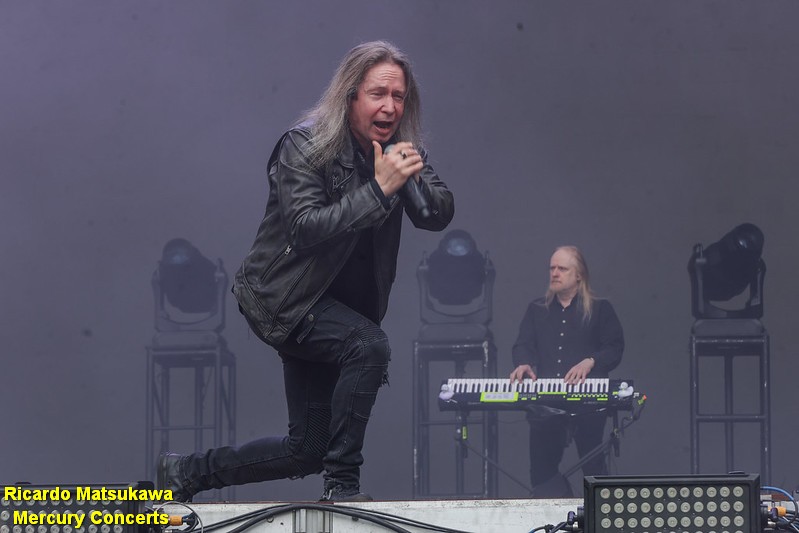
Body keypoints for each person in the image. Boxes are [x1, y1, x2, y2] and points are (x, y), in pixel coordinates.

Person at [157, 41, 454, 503]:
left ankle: (185, 472)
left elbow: (436, 214)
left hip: (336, 308)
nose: (390, 106)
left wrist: (407, 174)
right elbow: (305, 228)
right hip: (285, 300)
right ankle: (343, 485)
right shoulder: (306, 146)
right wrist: (379, 190)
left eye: (399, 96)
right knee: (368, 346)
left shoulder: (399, 152)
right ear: (351, 96)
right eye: (378, 94)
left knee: (307, 450)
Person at [509, 246, 623, 498]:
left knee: (593, 467)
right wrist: (524, 363)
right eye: (552, 268)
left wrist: (591, 361)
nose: (555, 273)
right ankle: (558, 510)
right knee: (542, 471)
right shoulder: (537, 309)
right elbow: (523, 344)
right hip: (547, 401)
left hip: (588, 400)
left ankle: (595, 513)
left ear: (579, 275)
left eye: (562, 268)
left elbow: (614, 347)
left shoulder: (600, 309)